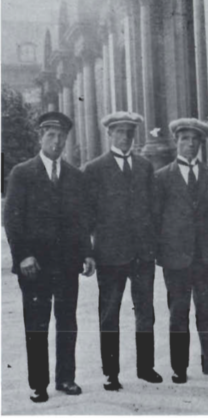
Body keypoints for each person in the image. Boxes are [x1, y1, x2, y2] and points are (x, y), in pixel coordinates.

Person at [4, 112, 96, 403]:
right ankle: (38, 383)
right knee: (37, 322)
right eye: (51, 135)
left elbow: (81, 220)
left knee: (67, 321)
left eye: (61, 137)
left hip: (67, 263)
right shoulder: (22, 173)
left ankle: (66, 378)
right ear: (40, 137)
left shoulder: (75, 176)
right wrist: (23, 256)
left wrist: (87, 253)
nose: (56, 142)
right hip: (35, 265)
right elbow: (12, 219)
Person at [82, 111, 162, 391]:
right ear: (109, 134)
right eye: (119, 132)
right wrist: (88, 251)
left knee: (145, 311)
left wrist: (153, 245)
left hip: (142, 254)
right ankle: (111, 373)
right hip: (110, 254)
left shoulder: (145, 167)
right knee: (109, 313)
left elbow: (154, 209)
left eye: (129, 133)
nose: (125, 137)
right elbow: (86, 215)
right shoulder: (94, 169)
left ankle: (146, 367)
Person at [154, 118, 208, 382]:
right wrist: (161, 252)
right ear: (176, 142)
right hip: (176, 256)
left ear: (201, 143)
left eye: (195, 140)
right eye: (185, 139)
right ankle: (179, 365)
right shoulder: (162, 177)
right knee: (178, 312)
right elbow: (156, 218)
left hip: (206, 255)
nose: (190, 144)